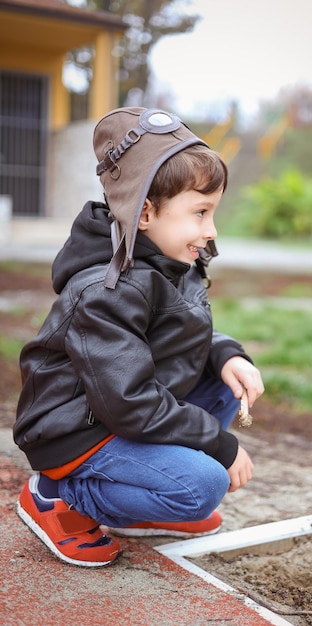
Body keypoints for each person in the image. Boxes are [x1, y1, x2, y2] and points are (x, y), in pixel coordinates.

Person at [13, 107, 264, 568]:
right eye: (200, 213)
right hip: (78, 429)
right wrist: (219, 446)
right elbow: (129, 401)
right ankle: (59, 498)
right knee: (203, 487)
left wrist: (226, 354)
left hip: (119, 409)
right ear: (145, 211)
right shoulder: (105, 290)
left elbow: (179, 333)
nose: (210, 232)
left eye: (213, 213)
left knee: (227, 388)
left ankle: (153, 491)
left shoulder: (169, 258)